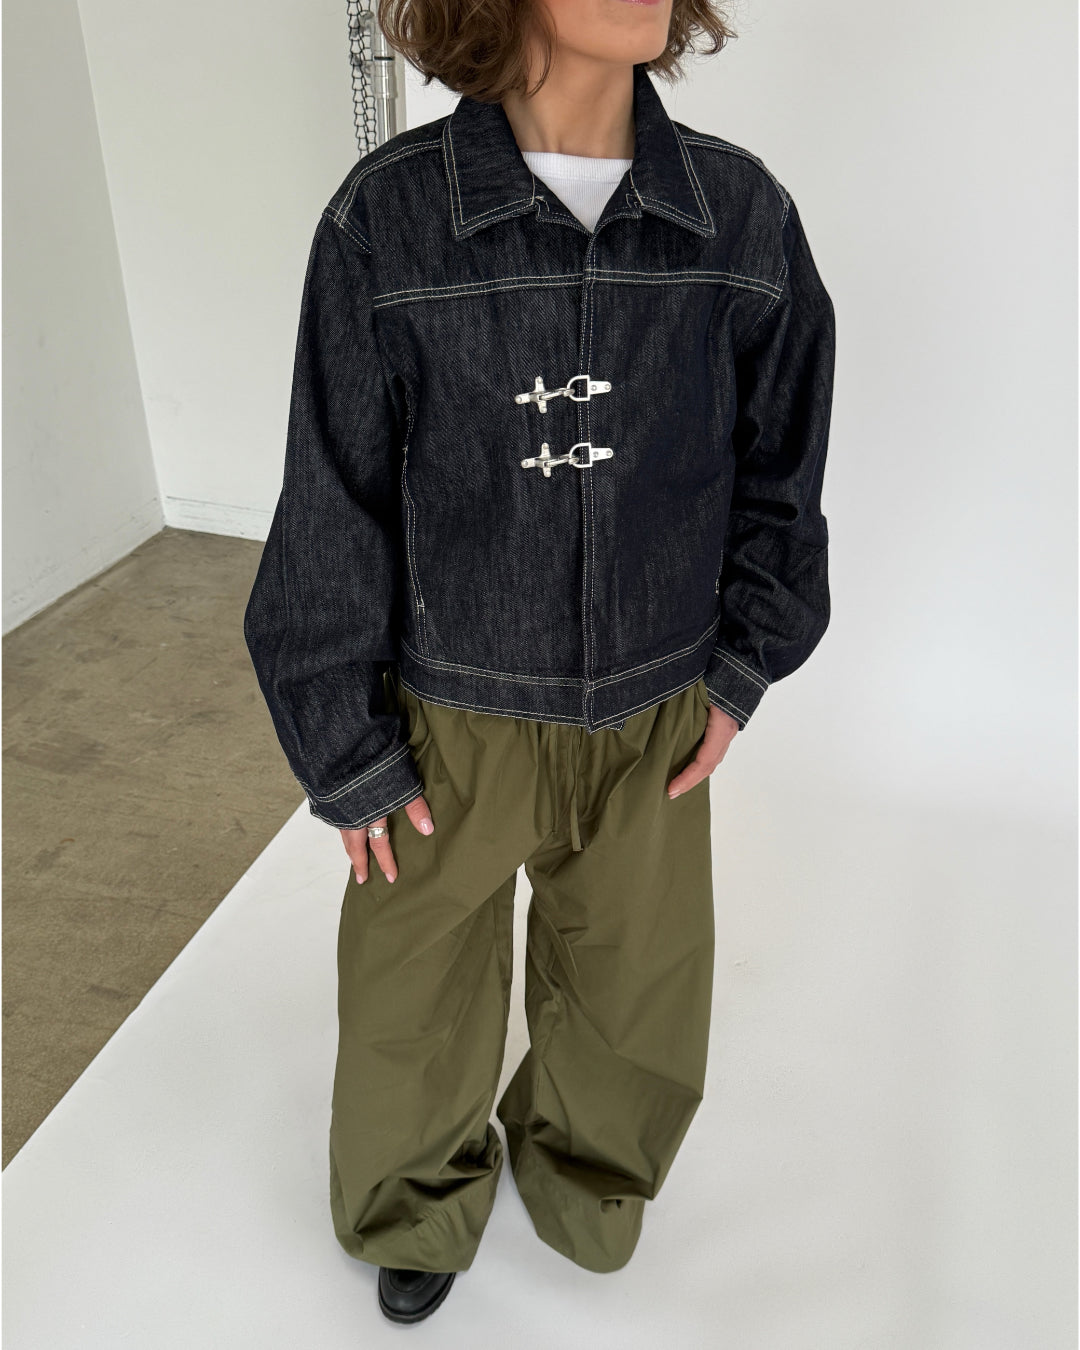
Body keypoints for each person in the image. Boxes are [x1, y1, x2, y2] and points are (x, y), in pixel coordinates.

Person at [244, 0, 835, 1325]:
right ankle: (413, 1199)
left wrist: (742, 666)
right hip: (452, 707)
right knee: (413, 983)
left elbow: (783, 468)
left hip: (658, 707)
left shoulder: (739, 218)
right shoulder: (388, 219)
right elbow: (333, 495)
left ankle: (589, 1176)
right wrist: (344, 743)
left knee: (638, 981)